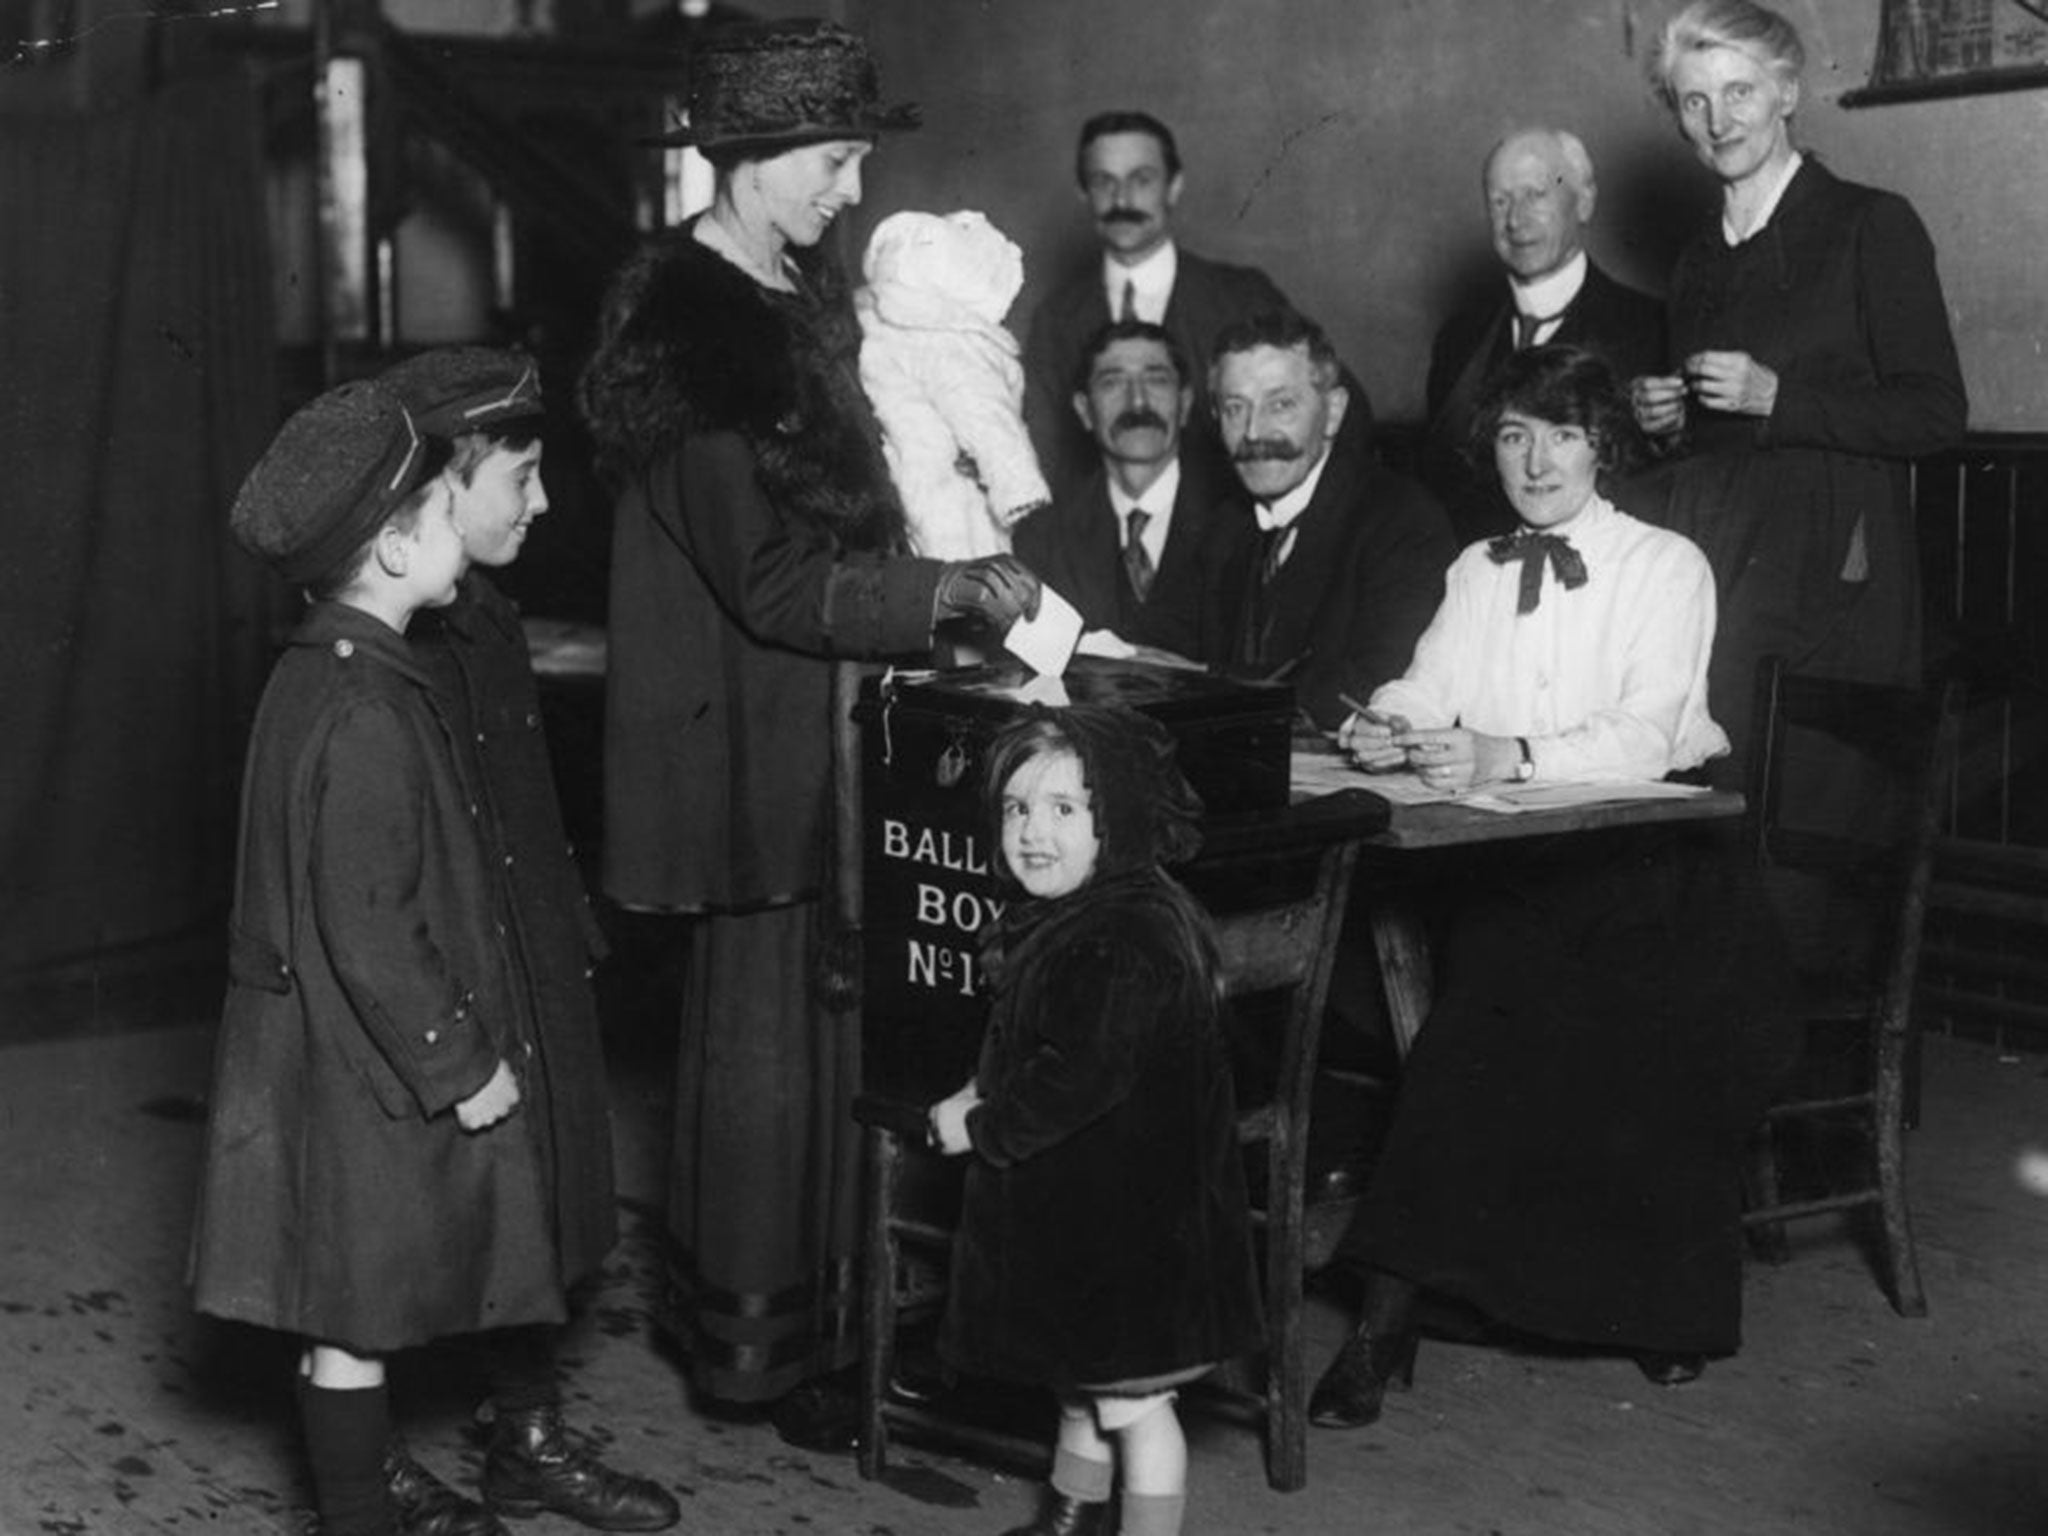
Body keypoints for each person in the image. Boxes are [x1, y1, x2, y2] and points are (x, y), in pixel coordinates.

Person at [575, 18, 1040, 1449]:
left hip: (830, 724)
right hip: (758, 743)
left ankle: (838, 1333)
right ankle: (764, 1357)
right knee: (770, 1049)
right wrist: (945, 587)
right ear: (755, 157)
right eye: (836, 160)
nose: (853, 188)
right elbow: (772, 585)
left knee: (839, 1045)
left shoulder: (798, 294)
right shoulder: (692, 332)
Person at [1308, 345, 1792, 1432]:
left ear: (1602, 446)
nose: (1534, 459)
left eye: (1561, 433)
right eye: (1515, 434)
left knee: (1507, 998)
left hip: (1665, 855)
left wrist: (1504, 754)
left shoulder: (1664, 565)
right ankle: (1405, 1299)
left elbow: (1643, 732)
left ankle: (1418, 1306)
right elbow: (1428, 683)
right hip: (1521, 851)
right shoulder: (1477, 569)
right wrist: (1387, 721)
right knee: (1488, 977)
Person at [189, 379, 604, 1536]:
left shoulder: (309, 675)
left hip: (312, 1059)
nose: (455, 543)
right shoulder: (371, 709)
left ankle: (351, 1511)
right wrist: (463, 1067)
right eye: (437, 516)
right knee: (358, 1318)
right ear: (389, 548)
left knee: (342, 1326)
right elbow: (372, 926)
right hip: (370, 1075)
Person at [379, 346, 678, 1532]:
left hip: (527, 941)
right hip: (442, 960)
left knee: (550, 1196)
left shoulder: (486, 611)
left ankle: (527, 1436)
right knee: (402, 1219)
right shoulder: (384, 633)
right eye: (523, 476)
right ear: (444, 488)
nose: (544, 503)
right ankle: (374, 1469)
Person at [928, 707, 1261, 1536]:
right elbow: (1040, 1043)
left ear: (1118, 823)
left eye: (1064, 811)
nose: (1033, 832)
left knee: (1137, 1410)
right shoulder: (1087, 911)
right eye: (1016, 809)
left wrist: (982, 1123)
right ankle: (1069, 1519)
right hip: (1089, 1221)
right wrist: (983, 1082)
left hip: (1135, 1243)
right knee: (1079, 1385)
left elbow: (1078, 1077)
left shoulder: (1121, 938)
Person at [1632, 0, 1966, 787]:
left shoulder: (1869, 224)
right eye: (1695, 100)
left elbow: (1937, 414)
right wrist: (1664, 421)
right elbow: (1715, 442)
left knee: (1800, 841)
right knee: (1708, 818)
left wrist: (1780, 398)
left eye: (1740, 92)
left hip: (1836, 589)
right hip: (1717, 575)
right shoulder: (1695, 261)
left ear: (1787, 94)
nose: (1719, 119)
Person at [1022, 111, 1370, 495]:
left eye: (1142, 180)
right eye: (1104, 182)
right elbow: (1044, 461)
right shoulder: (1056, 320)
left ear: (1174, 186)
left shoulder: (1240, 297)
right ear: (1083, 193)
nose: (1121, 200)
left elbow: (1342, 411)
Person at [1197, 309, 1455, 729]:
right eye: (1234, 408)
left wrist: (1216, 685)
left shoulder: (1401, 520)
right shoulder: (1224, 530)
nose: (1253, 433)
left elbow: (1379, 689)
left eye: (1280, 405)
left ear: (1333, 412)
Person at [1421, 127, 1665, 546]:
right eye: (1500, 201)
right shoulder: (1459, 341)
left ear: (1584, 201)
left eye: (1536, 195)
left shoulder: (1651, 329)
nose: (1515, 220)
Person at [1013, 319, 1233, 661]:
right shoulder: (1042, 539)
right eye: (1112, 382)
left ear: (1186, 403)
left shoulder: (1238, 522)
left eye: (1156, 379)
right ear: (1084, 410)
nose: (1138, 401)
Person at [856, 208, 1050, 560]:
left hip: (900, 469)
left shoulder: (872, 328)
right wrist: (1019, 487)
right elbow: (985, 415)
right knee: (972, 560)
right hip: (948, 483)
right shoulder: (951, 344)